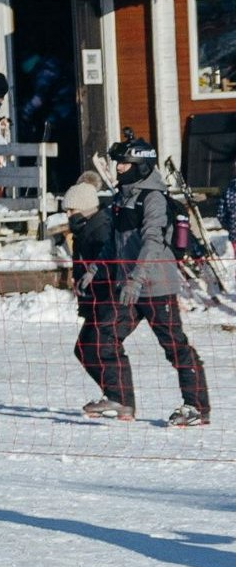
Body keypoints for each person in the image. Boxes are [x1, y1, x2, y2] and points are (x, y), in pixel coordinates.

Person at [73, 136, 211, 425]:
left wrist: (136, 279)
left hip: (155, 287)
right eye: (117, 163)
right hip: (129, 289)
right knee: (103, 338)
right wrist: (95, 269)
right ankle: (120, 398)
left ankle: (196, 407)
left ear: (140, 165)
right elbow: (113, 243)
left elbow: (151, 241)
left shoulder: (154, 198)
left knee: (175, 346)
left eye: (124, 163)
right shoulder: (122, 198)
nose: (118, 168)